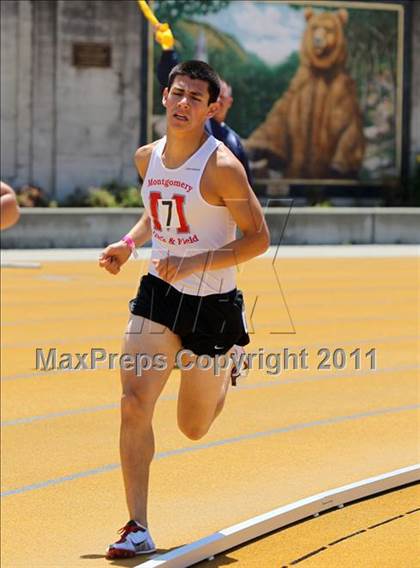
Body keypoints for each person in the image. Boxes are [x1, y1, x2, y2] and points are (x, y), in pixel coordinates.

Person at [99, 60, 269, 559]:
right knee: (133, 401)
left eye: (196, 97)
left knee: (192, 427)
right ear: (165, 97)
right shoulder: (146, 157)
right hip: (158, 292)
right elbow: (159, 210)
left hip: (211, 305)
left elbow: (258, 238)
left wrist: (196, 261)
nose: (183, 104)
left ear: (211, 108)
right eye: (177, 93)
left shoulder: (222, 166)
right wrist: (130, 243)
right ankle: (137, 527)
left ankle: (226, 368)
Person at [155, 23, 253, 185]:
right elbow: (171, 79)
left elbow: (245, 189)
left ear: (229, 102)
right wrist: (168, 50)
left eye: (222, 96)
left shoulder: (233, 141)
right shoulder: (197, 124)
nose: (218, 100)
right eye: (215, 96)